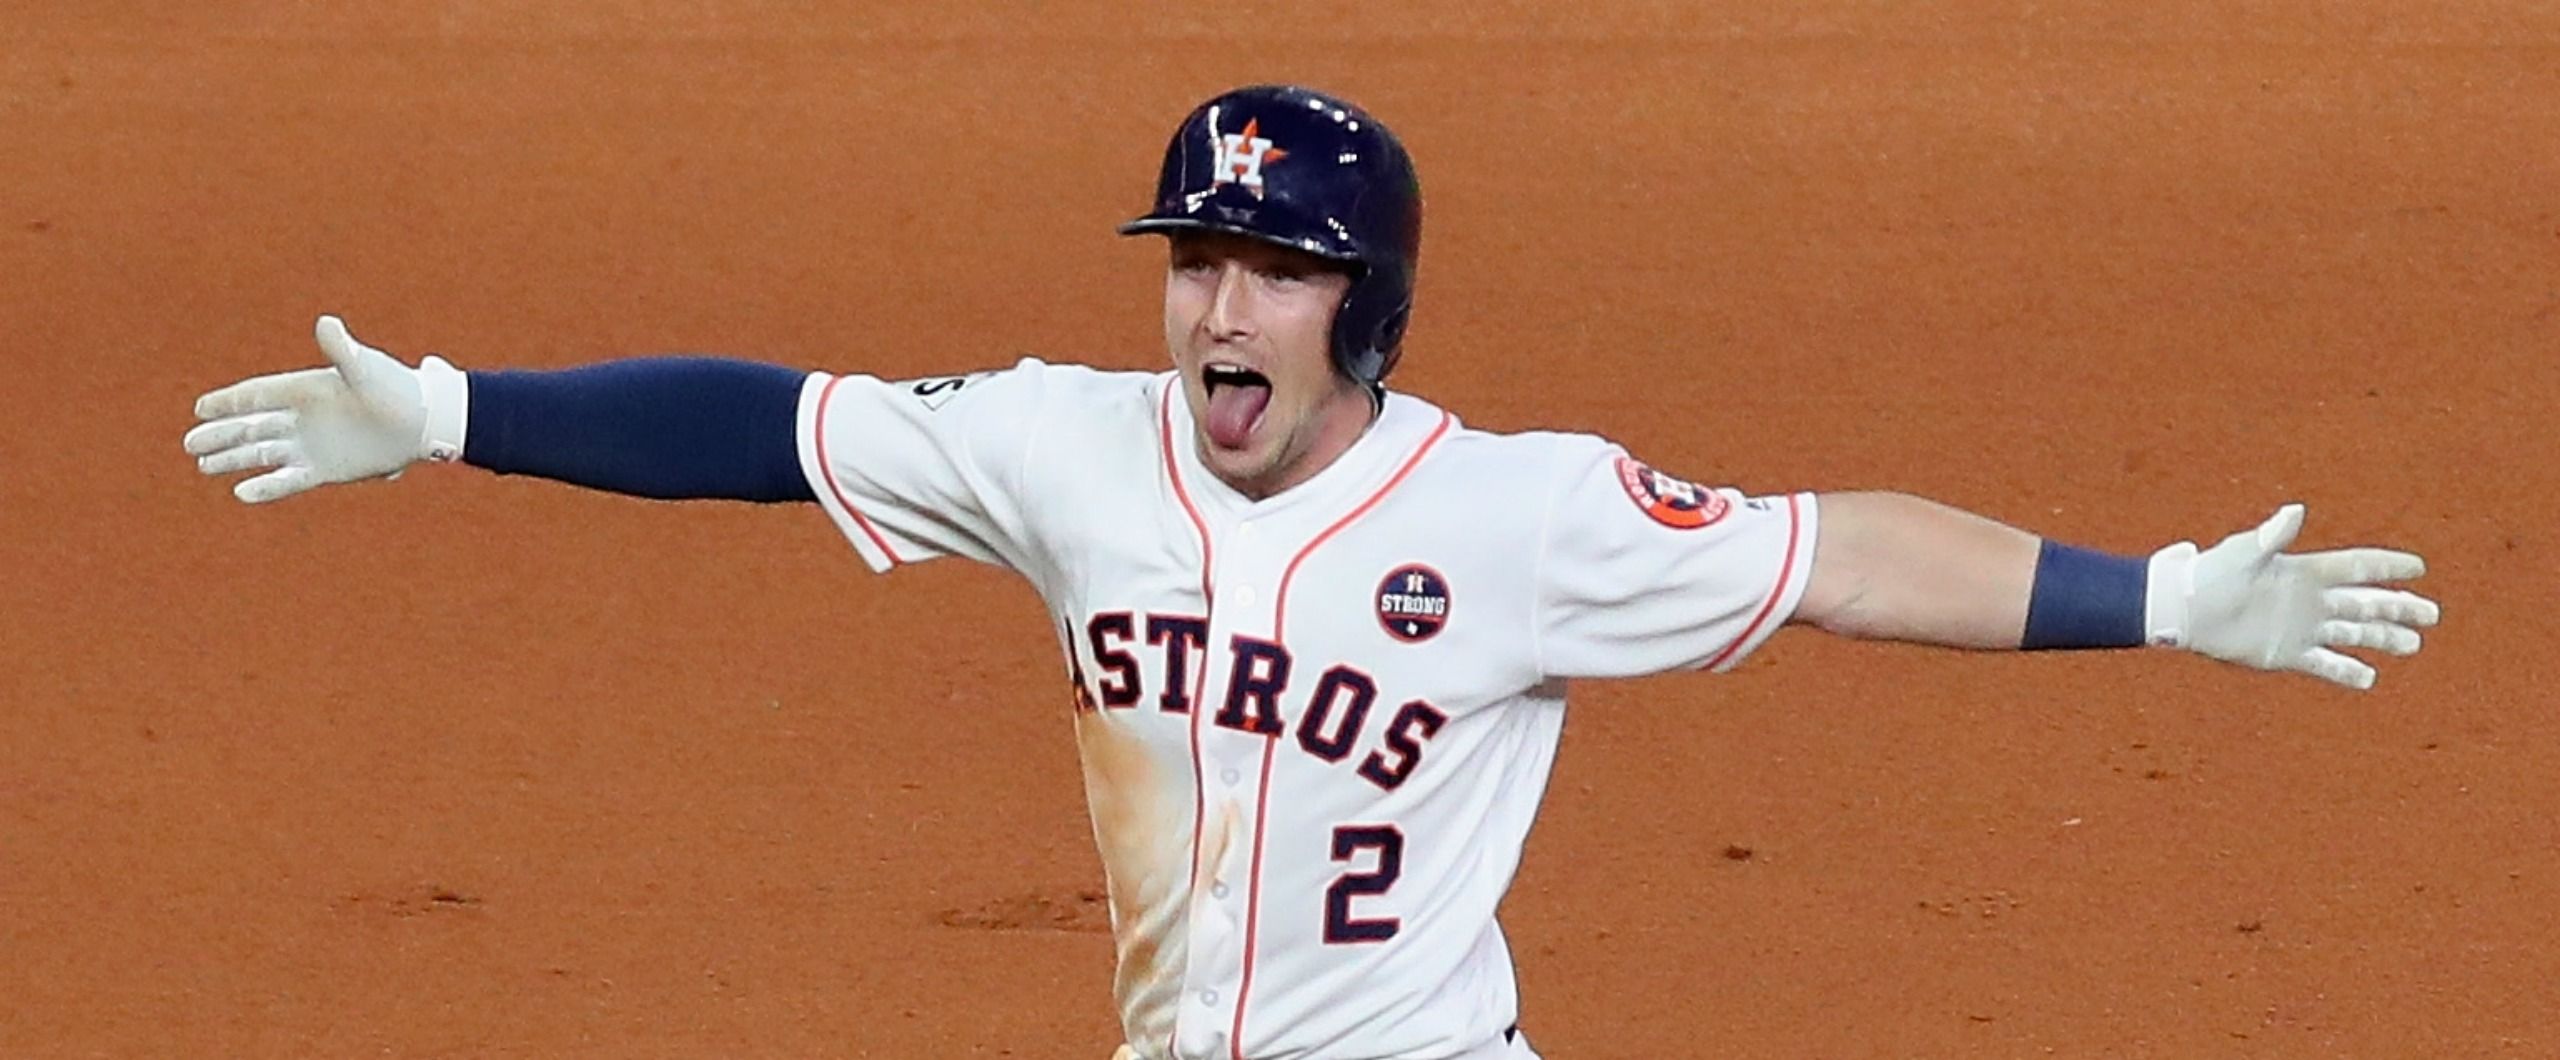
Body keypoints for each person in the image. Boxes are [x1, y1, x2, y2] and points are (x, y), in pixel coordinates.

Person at [182, 84, 2439, 1060]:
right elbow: (770, 425)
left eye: (1274, 269)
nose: (1218, 306)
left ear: (1364, 306)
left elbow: (1829, 551)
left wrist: (2153, 594)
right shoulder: (1062, 450)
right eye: (1197, 261)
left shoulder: (1514, 512)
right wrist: (462, 409)